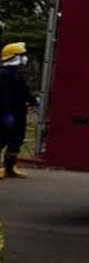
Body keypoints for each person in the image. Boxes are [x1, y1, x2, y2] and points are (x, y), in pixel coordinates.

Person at [0, 42, 39, 179]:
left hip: (19, 111)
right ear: (13, 56)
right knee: (2, 138)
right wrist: (5, 114)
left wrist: (33, 101)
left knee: (16, 139)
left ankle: (10, 167)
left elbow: (24, 91)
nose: (25, 58)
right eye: (22, 55)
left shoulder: (18, 73)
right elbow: (2, 96)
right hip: (6, 112)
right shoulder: (3, 74)